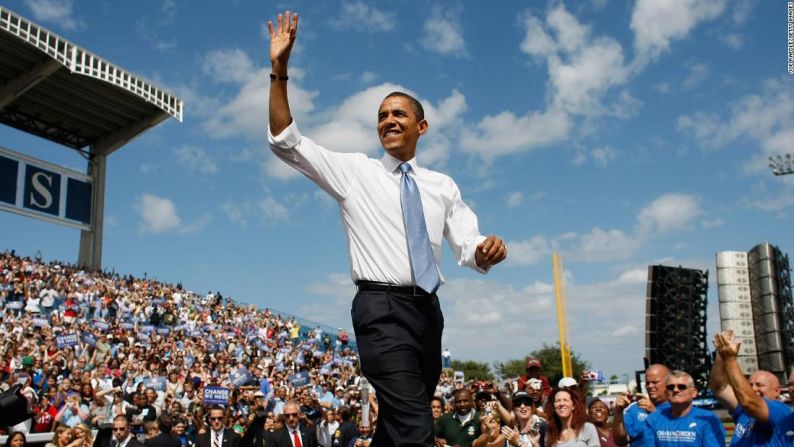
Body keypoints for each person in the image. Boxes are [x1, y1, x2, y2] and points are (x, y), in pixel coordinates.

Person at [267, 10, 507, 447]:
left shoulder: (441, 185)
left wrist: (485, 251)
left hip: (428, 314)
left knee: (397, 428)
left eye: (398, 113)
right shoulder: (356, 172)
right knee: (416, 428)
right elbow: (287, 141)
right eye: (381, 116)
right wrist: (279, 72)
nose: (388, 121)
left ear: (422, 126)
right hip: (381, 310)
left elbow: (468, 245)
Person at [709, 330, 791, 447]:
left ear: (777, 391)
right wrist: (722, 353)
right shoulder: (744, 410)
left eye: (759, 385)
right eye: (750, 384)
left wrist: (730, 359)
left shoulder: (780, 411)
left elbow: (750, 402)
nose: (753, 389)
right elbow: (718, 387)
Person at [642, 371, 725, 447]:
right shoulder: (653, 419)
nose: (675, 390)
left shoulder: (708, 420)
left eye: (682, 387)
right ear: (666, 393)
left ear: (694, 392)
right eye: (670, 387)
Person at [612, 364, 670, 447]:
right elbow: (620, 440)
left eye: (654, 382)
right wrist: (618, 411)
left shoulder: (677, 408)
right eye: (647, 383)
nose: (650, 386)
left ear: (668, 383)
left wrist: (654, 413)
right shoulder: (636, 408)